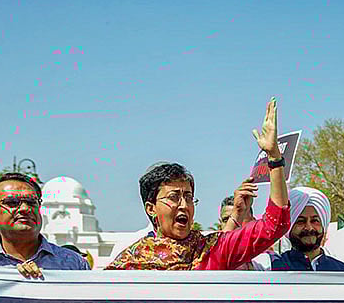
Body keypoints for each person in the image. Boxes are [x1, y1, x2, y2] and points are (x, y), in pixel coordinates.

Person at [106, 99, 292, 271]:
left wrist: (274, 159)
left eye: (188, 197)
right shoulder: (130, 264)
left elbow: (275, 225)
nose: (184, 205)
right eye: (173, 197)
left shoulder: (213, 251)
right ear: (151, 208)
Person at [271, 187, 344, 271]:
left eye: (315, 221)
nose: (309, 228)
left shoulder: (343, 271)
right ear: (289, 226)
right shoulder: (273, 266)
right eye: (301, 221)